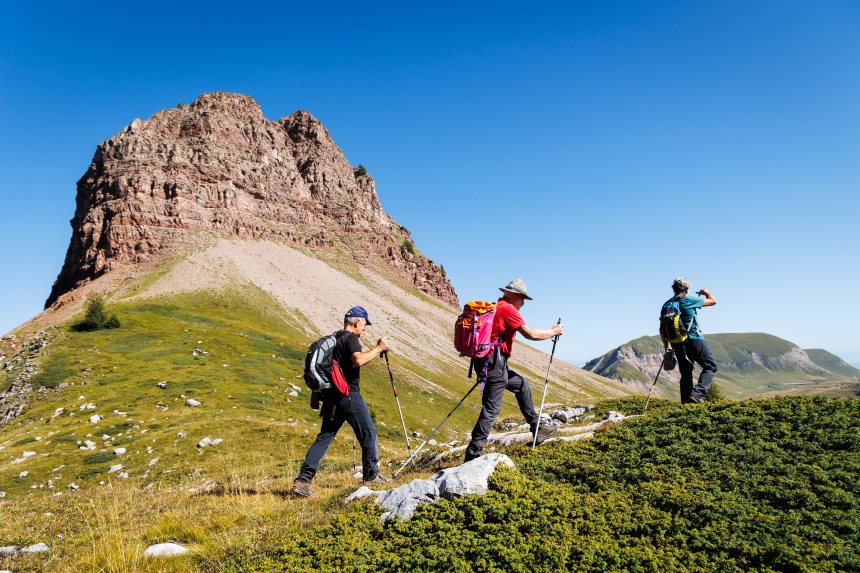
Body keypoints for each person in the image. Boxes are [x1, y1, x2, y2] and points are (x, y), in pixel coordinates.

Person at [464, 278, 565, 462]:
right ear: (517, 296)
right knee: (492, 409)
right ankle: (473, 453)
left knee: (521, 385)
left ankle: (537, 427)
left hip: (490, 363)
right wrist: (553, 332)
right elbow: (531, 334)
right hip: (494, 364)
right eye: (523, 299)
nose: (524, 303)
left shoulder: (497, 306)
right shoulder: (508, 309)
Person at [293, 306, 388, 497]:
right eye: (364, 324)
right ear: (357, 322)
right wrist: (379, 348)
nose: (364, 329)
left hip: (331, 397)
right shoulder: (351, 338)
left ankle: (303, 481)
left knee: (325, 437)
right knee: (368, 432)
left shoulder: (335, 338)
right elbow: (358, 360)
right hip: (349, 395)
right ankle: (371, 476)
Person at [661, 277, 718, 403]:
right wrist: (706, 292)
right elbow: (713, 301)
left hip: (677, 343)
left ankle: (686, 404)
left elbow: (661, 329)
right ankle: (698, 394)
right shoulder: (688, 300)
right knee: (710, 366)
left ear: (673, 289)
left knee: (686, 374)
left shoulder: (666, 305)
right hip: (694, 339)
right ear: (686, 290)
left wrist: (667, 347)